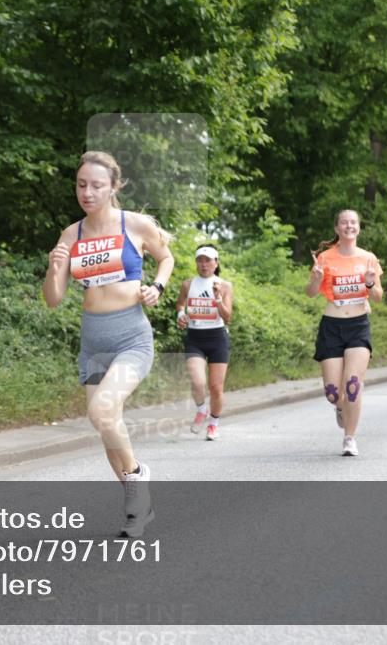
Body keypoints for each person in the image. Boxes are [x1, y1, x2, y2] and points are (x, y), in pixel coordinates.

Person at [43, 151, 174, 537]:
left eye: (97, 185)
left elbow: (165, 257)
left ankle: (137, 476)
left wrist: (158, 287)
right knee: (104, 423)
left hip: (131, 335)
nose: (88, 192)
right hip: (92, 340)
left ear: (114, 187)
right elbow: (53, 299)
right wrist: (53, 270)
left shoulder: (134, 224)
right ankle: (139, 510)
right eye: (82, 184)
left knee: (103, 409)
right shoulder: (72, 234)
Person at [306, 209, 383, 457]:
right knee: (333, 393)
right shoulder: (325, 257)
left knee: (353, 385)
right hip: (332, 325)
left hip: (358, 324)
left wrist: (370, 283)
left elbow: (379, 297)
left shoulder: (368, 258)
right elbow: (310, 292)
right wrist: (316, 278)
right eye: (344, 223)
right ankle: (340, 407)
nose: (349, 226)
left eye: (353, 222)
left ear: (358, 228)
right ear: (337, 228)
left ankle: (349, 438)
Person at [176, 245, 234, 441]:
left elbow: (227, 318)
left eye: (208, 260)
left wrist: (217, 298)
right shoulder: (188, 284)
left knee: (216, 387)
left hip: (217, 338)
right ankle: (202, 409)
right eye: (200, 260)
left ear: (216, 263)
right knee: (197, 381)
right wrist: (181, 315)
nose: (203, 264)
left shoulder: (224, 285)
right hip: (195, 338)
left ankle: (213, 424)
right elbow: (180, 303)